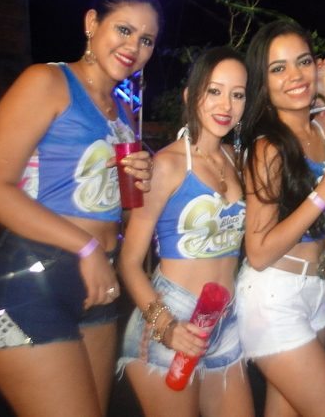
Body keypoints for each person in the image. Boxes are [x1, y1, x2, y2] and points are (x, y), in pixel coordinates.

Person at [0, 0, 160, 417]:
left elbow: (104, 205)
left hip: (97, 284)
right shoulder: (47, 82)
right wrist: (86, 246)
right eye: (124, 30)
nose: (134, 47)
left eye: (147, 40)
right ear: (92, 23)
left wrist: (139, 180)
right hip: (33, 278)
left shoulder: (122, 111)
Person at [235, 19, 325, 417]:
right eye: (278, 68)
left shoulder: (324, 128)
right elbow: (259, 252)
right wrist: (324, 192)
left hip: (314, 292)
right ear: (263, 82)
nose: (295, 75)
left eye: (304, 62)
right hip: (274, 297)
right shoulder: (268, 148)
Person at [117, 47, 254, 417]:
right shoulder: (167, 165)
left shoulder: (238, 161)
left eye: (237, 94)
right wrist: (167, 326)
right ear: (191, 95)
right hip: (173, 315)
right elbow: (129, 263)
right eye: (214, 91)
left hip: (224, 320)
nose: (226, 105)